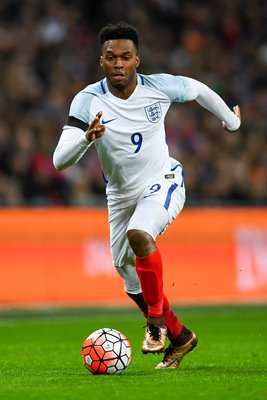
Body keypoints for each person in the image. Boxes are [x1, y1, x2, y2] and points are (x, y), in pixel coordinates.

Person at [53, 21, 241, 369]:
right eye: (112, 57)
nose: (119, 64)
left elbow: (198, 89)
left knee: (140, 234)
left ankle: (154, 326)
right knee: (129, 277)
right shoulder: (88, 100)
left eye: (126, 57)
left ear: (138, 60)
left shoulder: (159, 88)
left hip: (163, 179)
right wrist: (86, 138)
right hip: (121, 196)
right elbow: (59, 160)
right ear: (102, 61)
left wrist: (231, 120)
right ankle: (181, 336)